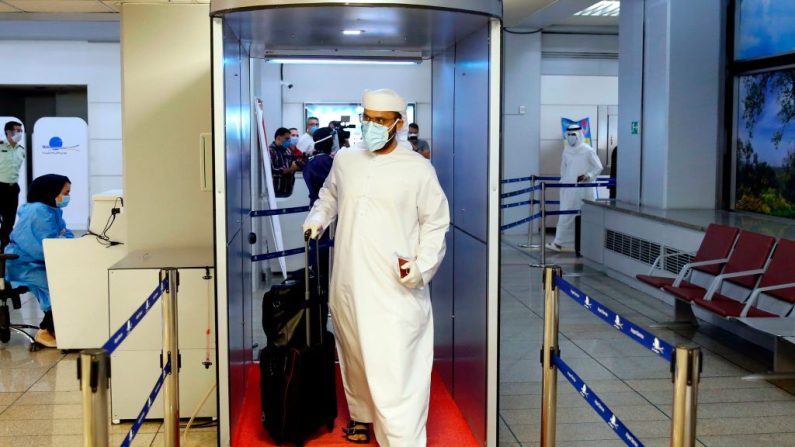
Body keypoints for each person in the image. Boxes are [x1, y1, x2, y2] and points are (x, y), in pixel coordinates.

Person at [302, 89, 449, 446]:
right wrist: (317, 219)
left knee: (396, 365)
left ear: (398, 123)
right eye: (367, 117)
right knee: (355, 355)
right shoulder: (347, 159)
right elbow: (330, 196)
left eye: (380, 120)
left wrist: (422, 266)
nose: (371, 125)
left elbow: (435, 222)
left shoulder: (417, 167)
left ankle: (402, 440)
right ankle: (362, 416)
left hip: (395, 283)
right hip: (349, 280)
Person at [5, 174, 74, 348]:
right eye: (65, 192)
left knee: (63, 284)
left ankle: (53, 329)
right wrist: (61, 242)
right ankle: (45, 330)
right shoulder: (37, 211)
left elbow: (66, 233)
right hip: (23, 264)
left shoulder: (52, 210)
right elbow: (37, 245)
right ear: (51, 191)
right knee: (57, 288)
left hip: (37, 262)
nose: (67, 197)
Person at [547, 124, 603, 252]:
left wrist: (588, 176)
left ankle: (580, 243)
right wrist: (563, 183)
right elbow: (564, 168)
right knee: (565, 215)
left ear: (579, 135)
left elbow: (598, 167)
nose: (571, 137)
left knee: (581, 216)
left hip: (583, 190)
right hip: (568, 189)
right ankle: (559, 243)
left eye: (573, 135)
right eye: (569, 135)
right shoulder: (566, 150)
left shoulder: (588, 150)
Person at [0, 121, 26, 251]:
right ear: (8, 132)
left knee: (9, 222)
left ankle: (4, 251)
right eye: (17, 130)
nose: (20, 133)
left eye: (21, 131)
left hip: (12, 189)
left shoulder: (21, 150)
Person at [269, 127, 301, 197]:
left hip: (289, 190)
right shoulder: (270, 151)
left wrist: (298, 164)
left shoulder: (287, 150)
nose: (289, 141)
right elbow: (273, 170)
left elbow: (295, 161)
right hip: (276, 190)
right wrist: (290, 169)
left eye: (289, 138)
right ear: (279, 138)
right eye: (287, 138)